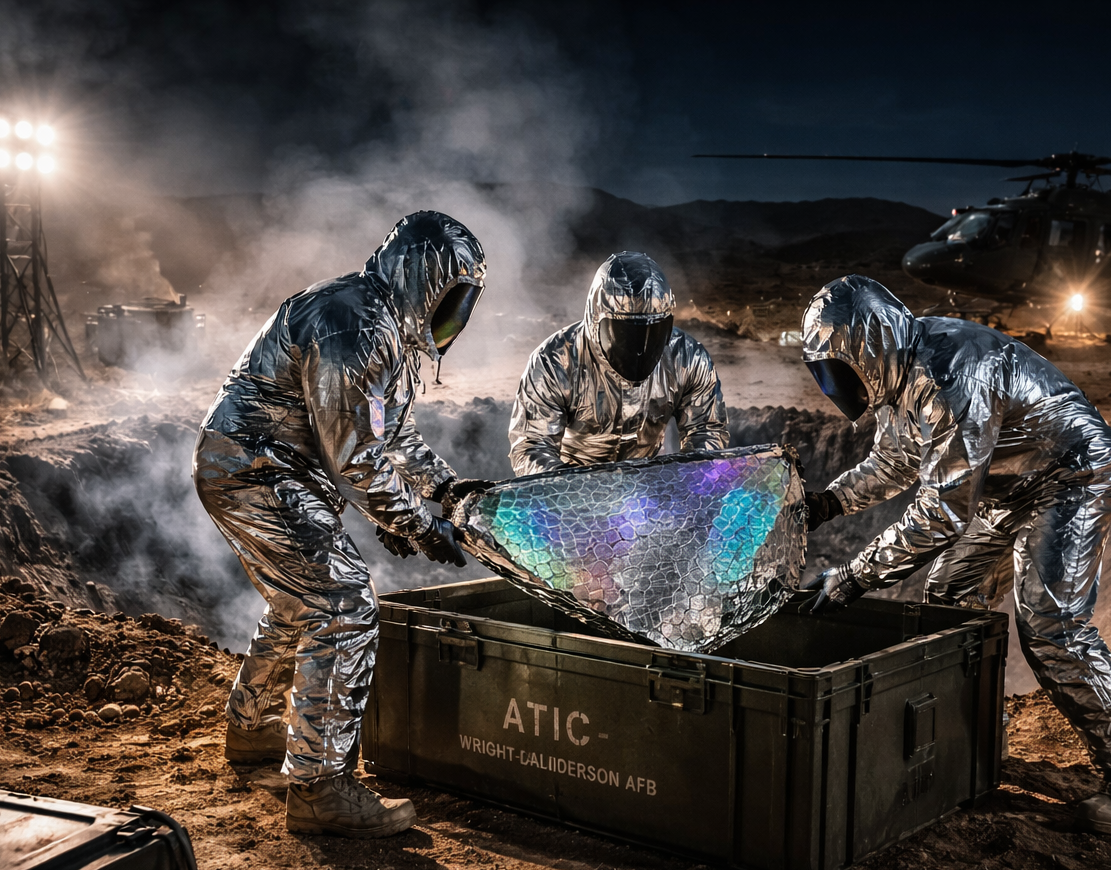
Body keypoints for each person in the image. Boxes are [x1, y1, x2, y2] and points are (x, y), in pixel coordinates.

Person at [797, 275, 1111, 834]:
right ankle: (985, 735)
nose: (833, 383)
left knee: (1051, 624)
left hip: (1071, 476)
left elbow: (942, 513)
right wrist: (830, 502)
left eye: (836, 368)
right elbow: (897, 460)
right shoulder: (900, 377)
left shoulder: (950, 377)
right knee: (948, 595)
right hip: (1010, 486)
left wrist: (853, 576)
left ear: (868, 350)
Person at [194, 211, 492, 838]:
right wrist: (417, 526)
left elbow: (389, 433)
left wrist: (444, 486)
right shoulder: (356, 326)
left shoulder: (382, 323)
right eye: (452, 300)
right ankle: (320, 788)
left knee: (299, 600)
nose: (454, 319)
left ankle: (251, 731)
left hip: (261, 467)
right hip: (258, 470)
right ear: (424, 280)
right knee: (344, 604)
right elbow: (356, 459)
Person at [508, 251, 728, 475]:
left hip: (648, 481)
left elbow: (706, 430)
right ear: (596, 321)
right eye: (626, 334)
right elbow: (531, 445)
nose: (641, 348)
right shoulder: (554, 361)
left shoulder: (688, 357)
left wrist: (686, 479)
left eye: (653, 331)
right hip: (572, 483)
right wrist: (570, 490)